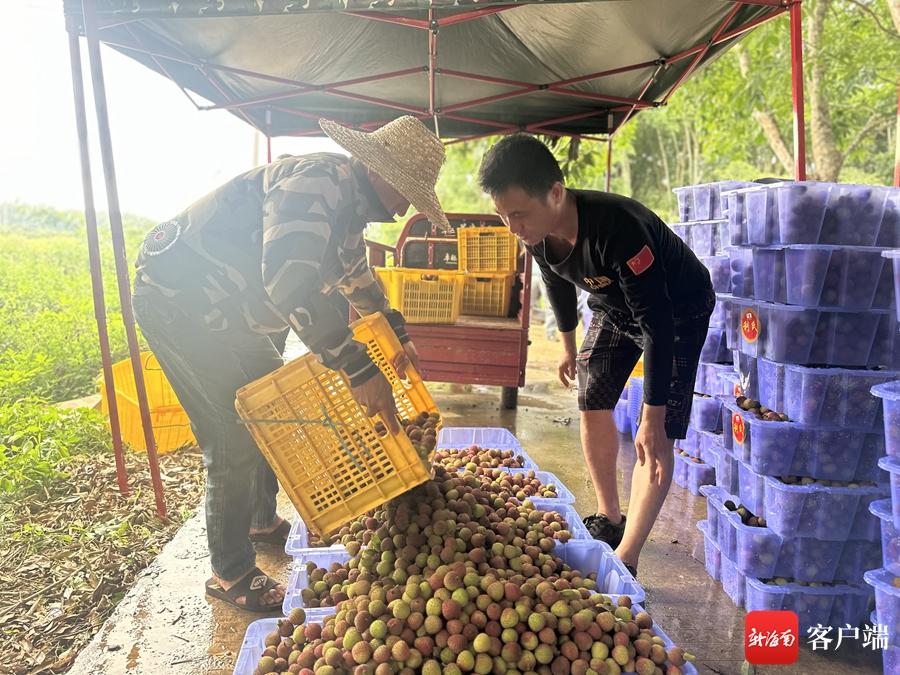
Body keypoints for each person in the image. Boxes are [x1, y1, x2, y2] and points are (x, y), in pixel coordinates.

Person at [131, 116, 449, 612]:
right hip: (180, 305)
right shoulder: (317, 182)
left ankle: (259, 520)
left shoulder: (348, 213)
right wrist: (358, 367)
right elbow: (288, 284)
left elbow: (358, 281)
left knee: (268, 412)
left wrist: (397, 335)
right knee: (232, 435)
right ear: (379, 171)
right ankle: (230, 572)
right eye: (405, 191)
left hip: (231, 316)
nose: (405, 206)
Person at [477, 134, 714, 576]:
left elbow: (657, 324)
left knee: (656, 438)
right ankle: (610, 517)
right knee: (591, 399)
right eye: (503, 216)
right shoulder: (536, 233)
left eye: (518, 215)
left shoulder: (618, 228)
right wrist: (568, 349)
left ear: (555, 192)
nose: (513, 227)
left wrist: (652, 414)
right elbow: (558, 287)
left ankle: (630, 552)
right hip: (612, 306)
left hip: (675, 311)